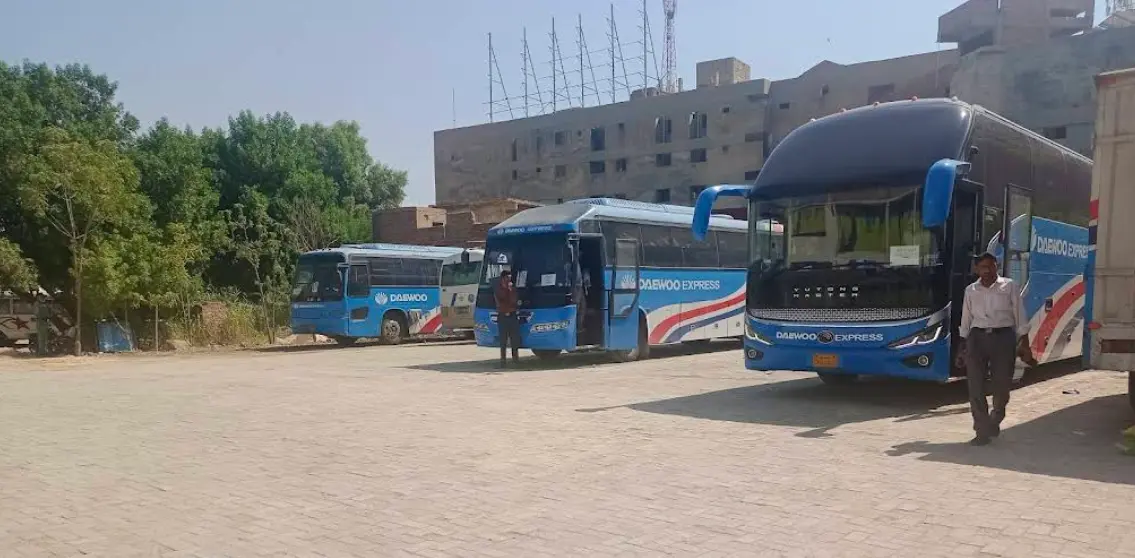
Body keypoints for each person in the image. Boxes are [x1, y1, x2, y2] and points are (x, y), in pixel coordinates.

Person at [957, 252, 1031, 446]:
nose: (987, 271)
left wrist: (1025, 341)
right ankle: (981, 430)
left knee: (1002, 385)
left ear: (996, 266)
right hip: (977, 339)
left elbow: (1019, 315)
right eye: (983, 267)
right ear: (976, 269)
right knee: (975, 386)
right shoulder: (971, 290)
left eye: (991, 266)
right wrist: (961, 346)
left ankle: (996, 417)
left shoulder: (1009, 286)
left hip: (1003, 338)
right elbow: (966, 319)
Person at [494, 269, 520, 368]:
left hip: (512, 315)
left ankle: (515, 359)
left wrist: (510, 290)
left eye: (510, 278)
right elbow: (501, 299)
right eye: (507, 278)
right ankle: (503, 360)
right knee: (503, 340)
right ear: (503, 278)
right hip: (502, 316)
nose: (509, 280)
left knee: (514, 339)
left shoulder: (512, 288)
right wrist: (506, 289)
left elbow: (514, 300)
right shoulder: (498, 288)